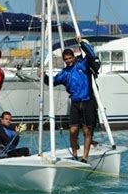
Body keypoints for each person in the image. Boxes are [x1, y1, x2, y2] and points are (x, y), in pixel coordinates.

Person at [40, 35, 97, 163]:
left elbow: (91, 55)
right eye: (66, 59)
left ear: (74, 57)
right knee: (73, 130)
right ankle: (75, 154)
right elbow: (52, 82)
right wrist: (44, 76)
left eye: (70, 58)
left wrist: (81, 43)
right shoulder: (64, 73)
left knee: (87, 130)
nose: (68, 60)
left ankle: (85, 157)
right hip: (75, 103)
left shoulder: (83, 64)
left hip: (87, 101)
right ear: (64, 60)